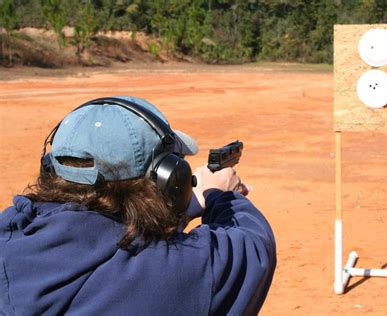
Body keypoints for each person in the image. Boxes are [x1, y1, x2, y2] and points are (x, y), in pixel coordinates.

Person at [0, 96, 276, 315]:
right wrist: (221, 195)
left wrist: (188, 206)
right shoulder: (169, 276)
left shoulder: (12, 234)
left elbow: (107, 242)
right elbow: (254, 246)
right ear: (170, 178)